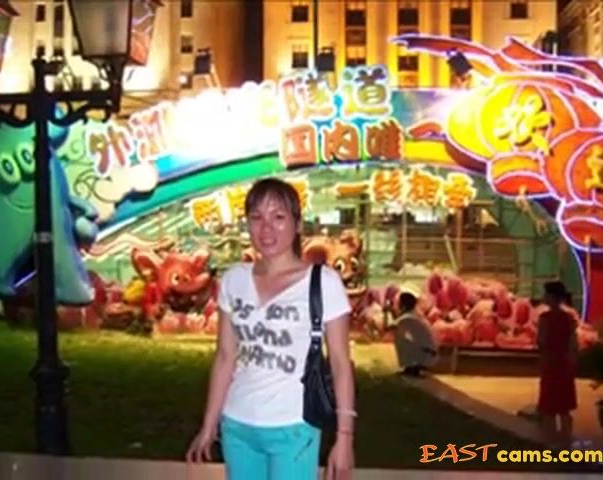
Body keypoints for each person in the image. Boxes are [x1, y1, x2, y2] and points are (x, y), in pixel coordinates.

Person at [186, 177, 356, 480]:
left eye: (278, 217)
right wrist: (209, 424)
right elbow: (225, 357)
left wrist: (344, 437)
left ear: (297, 224)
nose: (266, 229)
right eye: (257, 218)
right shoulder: (234, 280)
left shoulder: (323, 282)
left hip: (294, 428)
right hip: (237, 426)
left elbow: (341, 364)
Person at [537, 281, 578, 448]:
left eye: (546, 294)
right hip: (564, 364)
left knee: (549, 407)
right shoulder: (569, 318)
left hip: (550, 363)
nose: (544, 297)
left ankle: (549, 443)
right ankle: (566, 442)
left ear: (552, 297)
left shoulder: (544, 318)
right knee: (564, 407)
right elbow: (573, 344)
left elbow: (542, 341)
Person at [393, 291, 438, 376]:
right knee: (405, 337)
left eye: (398, 304)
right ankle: (412, 366)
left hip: (427, 355)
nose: (396, 306)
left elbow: (391, 327)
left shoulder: (408, 317)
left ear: (403, 305)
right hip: (431, 353)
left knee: (400, 338)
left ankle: (412, 366)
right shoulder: (416, 314)